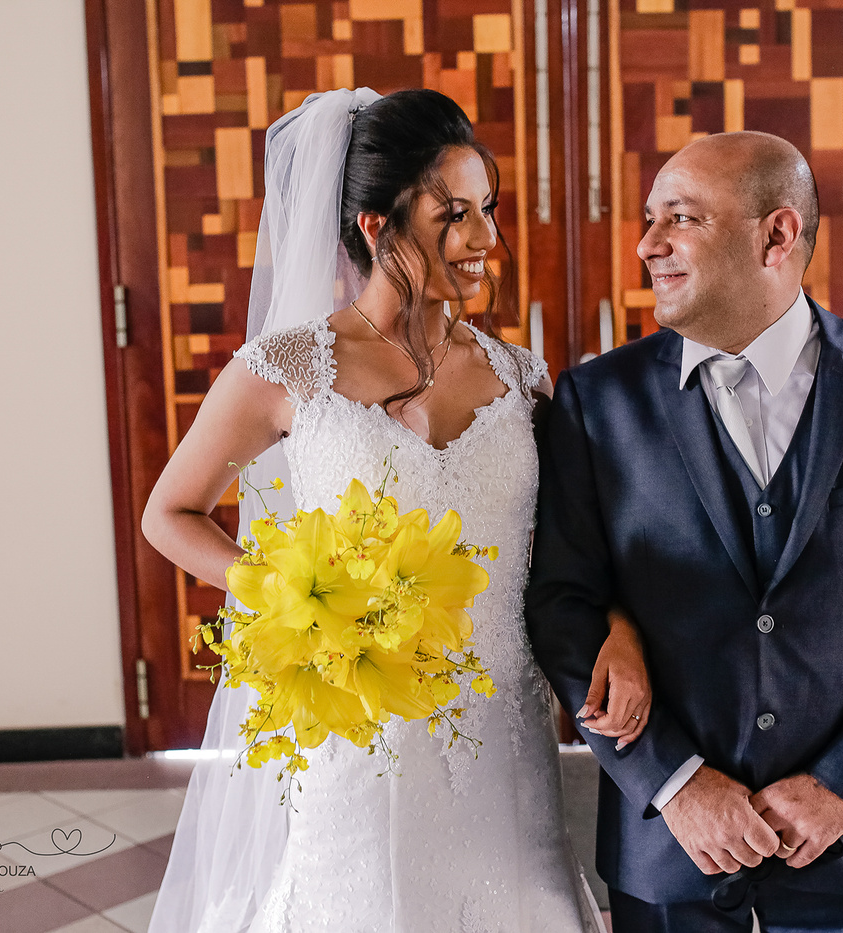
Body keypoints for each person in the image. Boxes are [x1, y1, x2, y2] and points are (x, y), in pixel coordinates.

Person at [140, 87, 649, 933]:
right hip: (359, 739)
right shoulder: (287, 369)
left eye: (487, 209)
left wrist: (621, 628)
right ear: (377, 228)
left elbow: (584, 543)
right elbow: (171, 512)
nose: (486, 238)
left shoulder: (521, 377)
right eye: (454, 215)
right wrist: (291, 597)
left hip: (501, 735)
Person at [525, 131, 843, 933]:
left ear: (777, 235)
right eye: (650, 218)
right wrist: (675, 781)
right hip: (668, 843)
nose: (647, 244)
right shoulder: (598, 403)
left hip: (839, 841)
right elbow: (561, 603)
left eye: (681, 218)